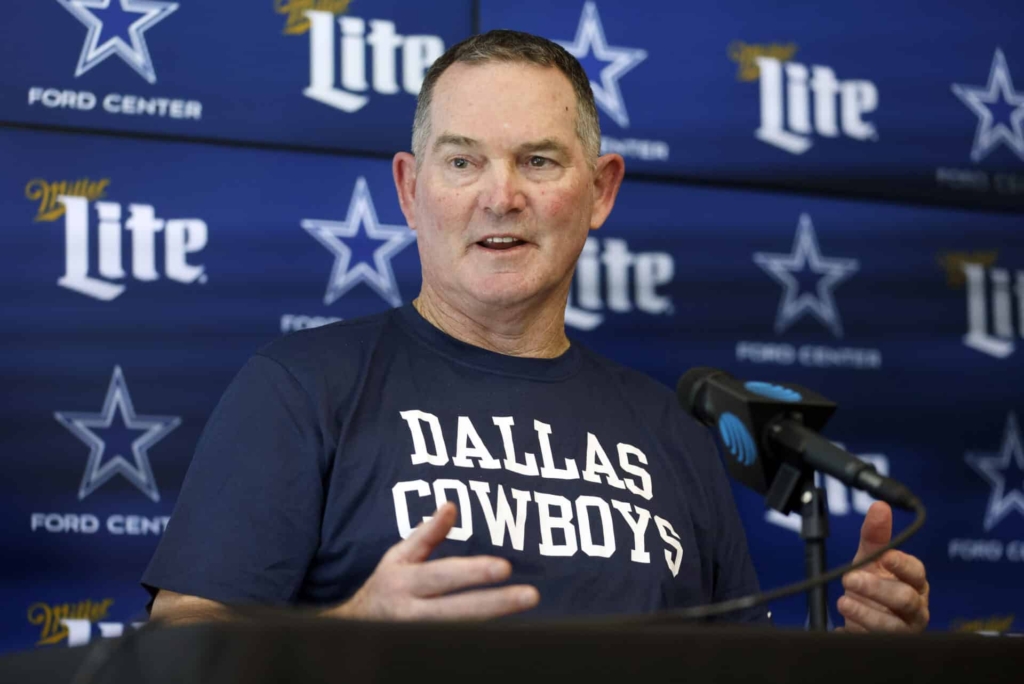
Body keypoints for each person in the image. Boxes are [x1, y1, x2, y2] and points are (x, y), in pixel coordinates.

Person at [144, 30, 929, 631]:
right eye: (461, 163)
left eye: (540, 161)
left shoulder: (671, 432)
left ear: (600, 191)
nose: (501, 196)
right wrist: (350, 630)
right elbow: (178, 644)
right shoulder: (302, 388)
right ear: (411, 191)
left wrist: (862, 660)